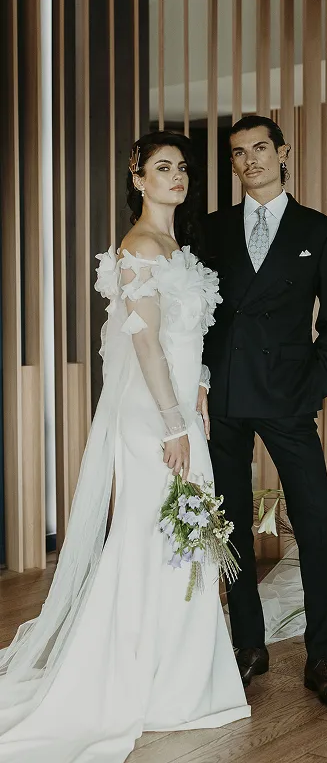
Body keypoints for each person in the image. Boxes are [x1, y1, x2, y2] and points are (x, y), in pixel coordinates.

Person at [0, 131, 250, 763]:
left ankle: (181, 674)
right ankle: (153, 679)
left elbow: (186, 336)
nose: (177, 176)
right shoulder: (138, 246)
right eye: (163, 167)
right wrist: (171, 423)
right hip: (152, 416)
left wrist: (199, 384)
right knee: (155, 536)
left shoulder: (176, 245)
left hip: (179, 405)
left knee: (181, 536)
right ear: (138, 179)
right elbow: (144, 343)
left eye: (183, 168)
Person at [199, 115, 327, 709]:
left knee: (314, 520)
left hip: (287, 397)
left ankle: (321, 657)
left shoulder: (320, 230)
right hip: (226, 394)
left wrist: (310, 388)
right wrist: (201, 383)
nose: (250, 161)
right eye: (238, 153)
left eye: (260, 148)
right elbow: (200, 315)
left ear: (283, 153)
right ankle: (249, 645)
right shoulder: (211, 229)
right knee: (231, 521)